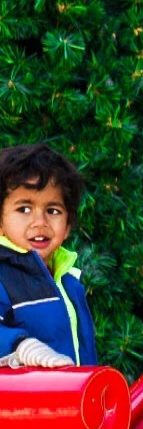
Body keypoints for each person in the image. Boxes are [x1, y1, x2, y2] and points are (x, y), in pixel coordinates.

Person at [0, 143, 97, 368]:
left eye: (53, 211)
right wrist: (21, 346)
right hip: (19, 403)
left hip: (73, 400)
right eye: (24, 209)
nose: (40, 223)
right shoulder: (3, 276)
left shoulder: (69, 282)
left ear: (68, 225)